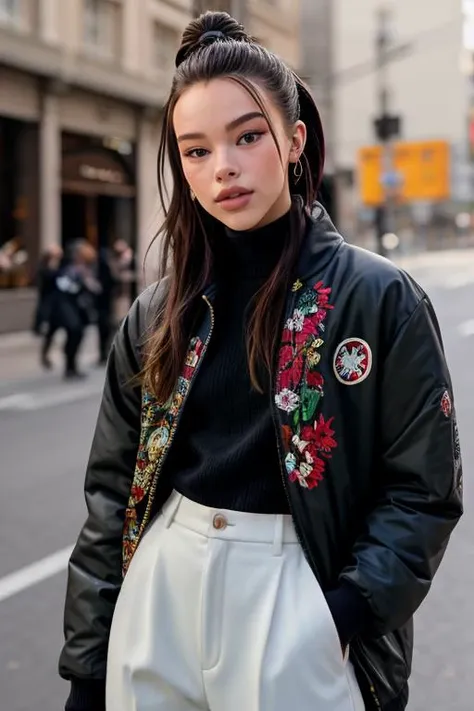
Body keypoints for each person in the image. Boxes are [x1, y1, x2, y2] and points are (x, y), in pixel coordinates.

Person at [59, 11, 463, 711]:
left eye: (247, 136)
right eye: (195, 150)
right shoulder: (158, 312)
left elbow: (423, 488)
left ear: (295, 138)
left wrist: (345, 611)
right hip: (163, 585)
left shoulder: (379, 299)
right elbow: (109, 494)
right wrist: (88, 666)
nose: (223, 167)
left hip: (299, 593)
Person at [49, 240, 100, 379]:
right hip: (68, 306)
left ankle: (72, 365)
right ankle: (69, 366)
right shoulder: (69, 269)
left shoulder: (86, 269)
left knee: (78, 335)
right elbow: (64, 287)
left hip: (80, 308)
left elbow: (94, 287)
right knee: (73, 332)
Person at [32, 244, 63, 369]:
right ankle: (45, 356)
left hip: (56, 304)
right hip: (49, 304)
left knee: (52, 331)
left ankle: (47, 355)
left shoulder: (55, 266)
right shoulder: (44, 268)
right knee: (50, 331)